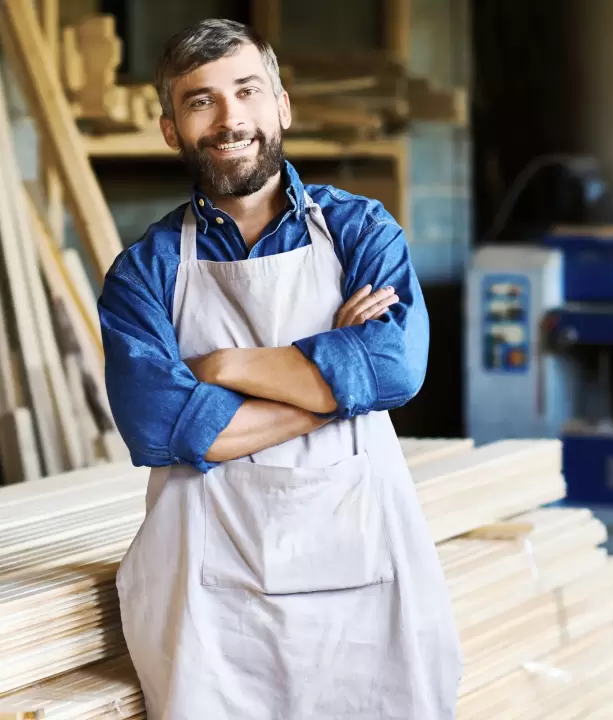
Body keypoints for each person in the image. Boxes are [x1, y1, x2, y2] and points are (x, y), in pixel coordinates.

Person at [98, 18, 463, 720]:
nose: (231, 118)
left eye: (248, 91)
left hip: (367, 593)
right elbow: (166, 426)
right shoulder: (144, 273)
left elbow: (393, 370)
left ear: (282, 106)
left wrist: (223, 365)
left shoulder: (361, 231)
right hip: (209, 610)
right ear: (171, 128)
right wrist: (336, 389)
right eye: (200, 100)